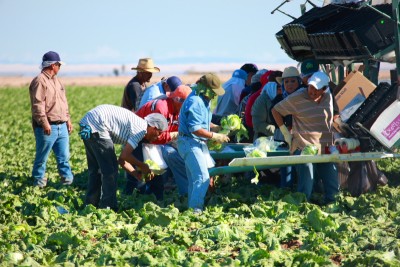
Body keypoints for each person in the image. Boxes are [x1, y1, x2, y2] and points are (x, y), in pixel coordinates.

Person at [79, 104, 168, 211]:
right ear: (154, 128)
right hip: (97, 124)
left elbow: (122, 160)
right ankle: (108, 207)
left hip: (88, 123)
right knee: (110, 170)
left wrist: (136, 174)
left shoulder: (136, 125)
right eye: (159, 133)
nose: (158, 137)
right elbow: (125, 156)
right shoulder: (141, 130)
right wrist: (143, 166)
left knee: (96, 169)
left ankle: (91, 205)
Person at [271, 71, 339, 204]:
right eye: (311, 87)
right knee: (307, 181)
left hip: (325, 147)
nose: (312, 91)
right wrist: (285, 132)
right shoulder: (297, 97)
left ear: (324, 89)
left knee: (332, 182)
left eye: (317, 89)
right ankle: (302, 206)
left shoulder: (329, 97)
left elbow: (334, 116)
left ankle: (333, 205)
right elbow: (276, 110)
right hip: (304, 146)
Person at [125, 85, 192, 198]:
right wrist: (173, 135)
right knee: (139, 176)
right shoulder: (161, 108)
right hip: (138, 138)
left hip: (150, 140)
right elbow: (155, 135)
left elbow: (174, 127)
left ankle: (153, 199)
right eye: (186, 104)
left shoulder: (176, 109)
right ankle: (129, 201)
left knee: (156, 176)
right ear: (177, 100)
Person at [177, 73, 230, 213]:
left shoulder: (204, 100)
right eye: (213, 92)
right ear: (205, 89)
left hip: (195, 143)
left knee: (194, 179)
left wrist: (215, 127)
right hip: (190, 142)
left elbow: (203, 123)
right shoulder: (195, 101)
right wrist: (214, 135)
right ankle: (196, 210)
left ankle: (192, 208)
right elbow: (195, 129)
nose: (214, 95)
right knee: (202, 177)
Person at [29, 51, 74, 188]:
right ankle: (39, 184)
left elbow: (63, 102)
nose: (59, 67)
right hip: (47, 127)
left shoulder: (57, 81)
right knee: (42, 158)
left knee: (64, 158)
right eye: (58, 64)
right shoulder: (39, 81)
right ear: (53, 65)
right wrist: (44, 123)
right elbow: (38, 105)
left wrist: (68, 119)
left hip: (62, 126)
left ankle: (67, 183)